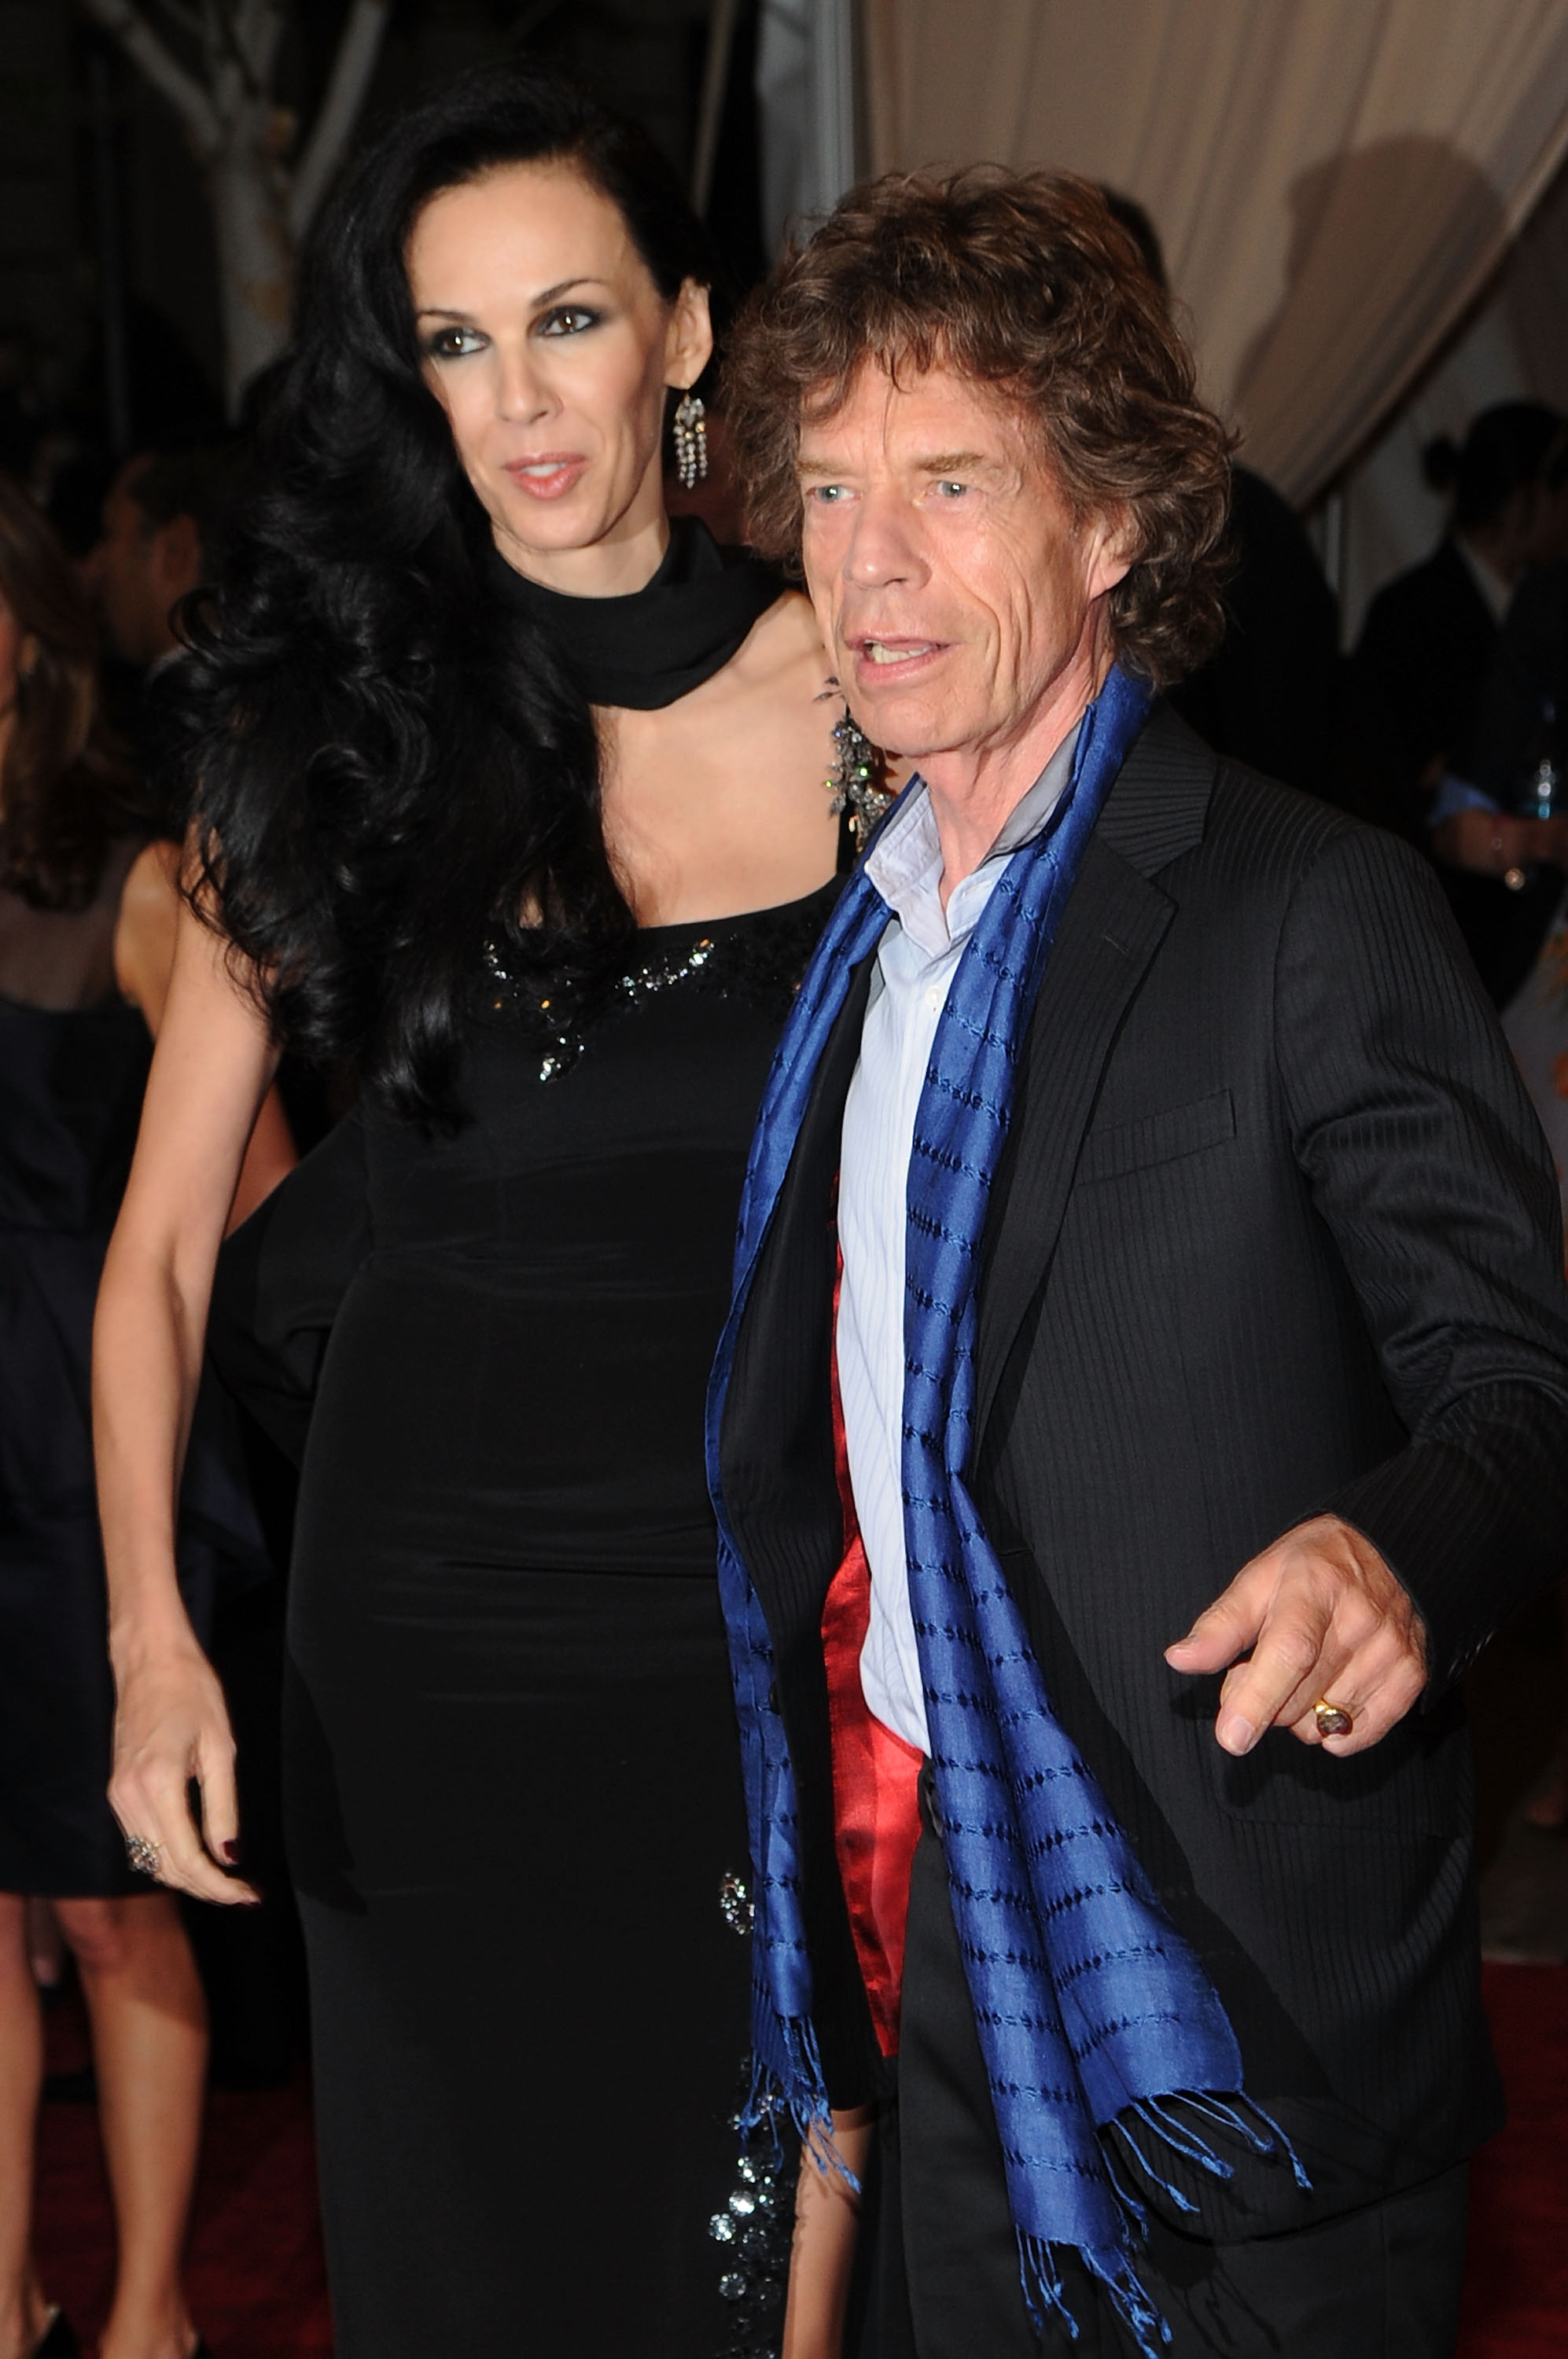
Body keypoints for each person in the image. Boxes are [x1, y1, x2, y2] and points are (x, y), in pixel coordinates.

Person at [708, 167, 1568, 2357]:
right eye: (825, 491)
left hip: (1237, 2012)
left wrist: (1394, 1555)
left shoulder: (1305, 911)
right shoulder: (845, 961)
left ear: (1111, 524)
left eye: (950, 484)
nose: (866, 563)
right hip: (946, 1985)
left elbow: (1517, 1386)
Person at [92, 66, 887, 2359]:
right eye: (457, 344)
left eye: (567, 322)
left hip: (752, 1617)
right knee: (463, 2262)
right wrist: (155, 1644)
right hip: (418, 1632)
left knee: (751, 2259)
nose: (522, 402)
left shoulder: (869, 691)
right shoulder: (332, 728)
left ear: (689, 329)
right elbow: (156, 1253)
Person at [0, 477, 285, 2359]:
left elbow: (259, 1188)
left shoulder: (140, 876)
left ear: (21, 635)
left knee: (110, 1903)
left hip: (72, 1455)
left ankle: (152, 2313)